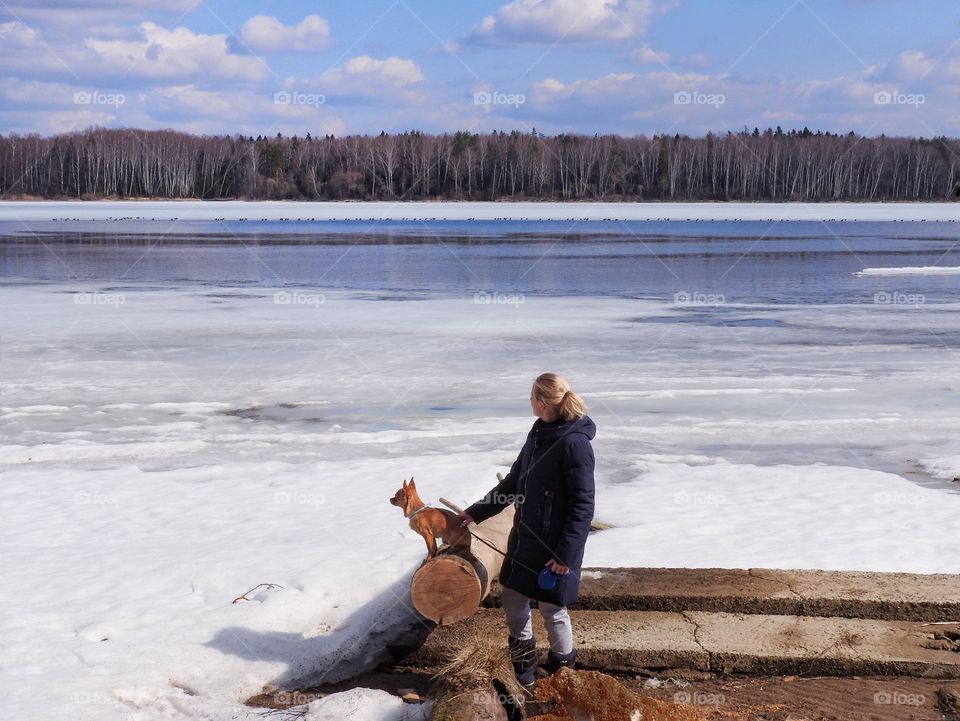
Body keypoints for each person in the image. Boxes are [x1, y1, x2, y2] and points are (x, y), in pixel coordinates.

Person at [458, 373, 596, 689]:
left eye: (531, 396)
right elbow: (513, 482)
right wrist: (476, 512)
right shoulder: (538, 433)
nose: (529, 401)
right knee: (513, 598)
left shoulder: (575, 445)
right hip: (525, 540)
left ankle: (564, 672)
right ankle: (524, 672)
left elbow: (582, 507)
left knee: (553, 609)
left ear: (542, 402)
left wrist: (564, 555)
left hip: (555, 547)